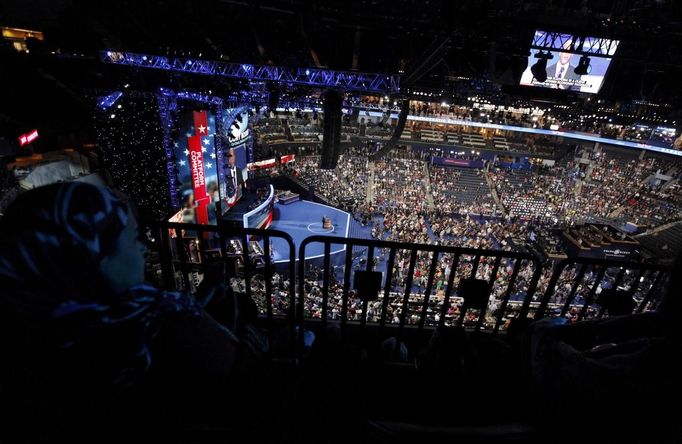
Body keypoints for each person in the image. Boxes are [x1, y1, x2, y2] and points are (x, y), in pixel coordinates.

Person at [0, 183, 269, 443]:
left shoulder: (23, 336)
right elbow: (244, 380)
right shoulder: (158, 319)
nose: (144, 247)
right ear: (92, 255)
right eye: (131, 237)